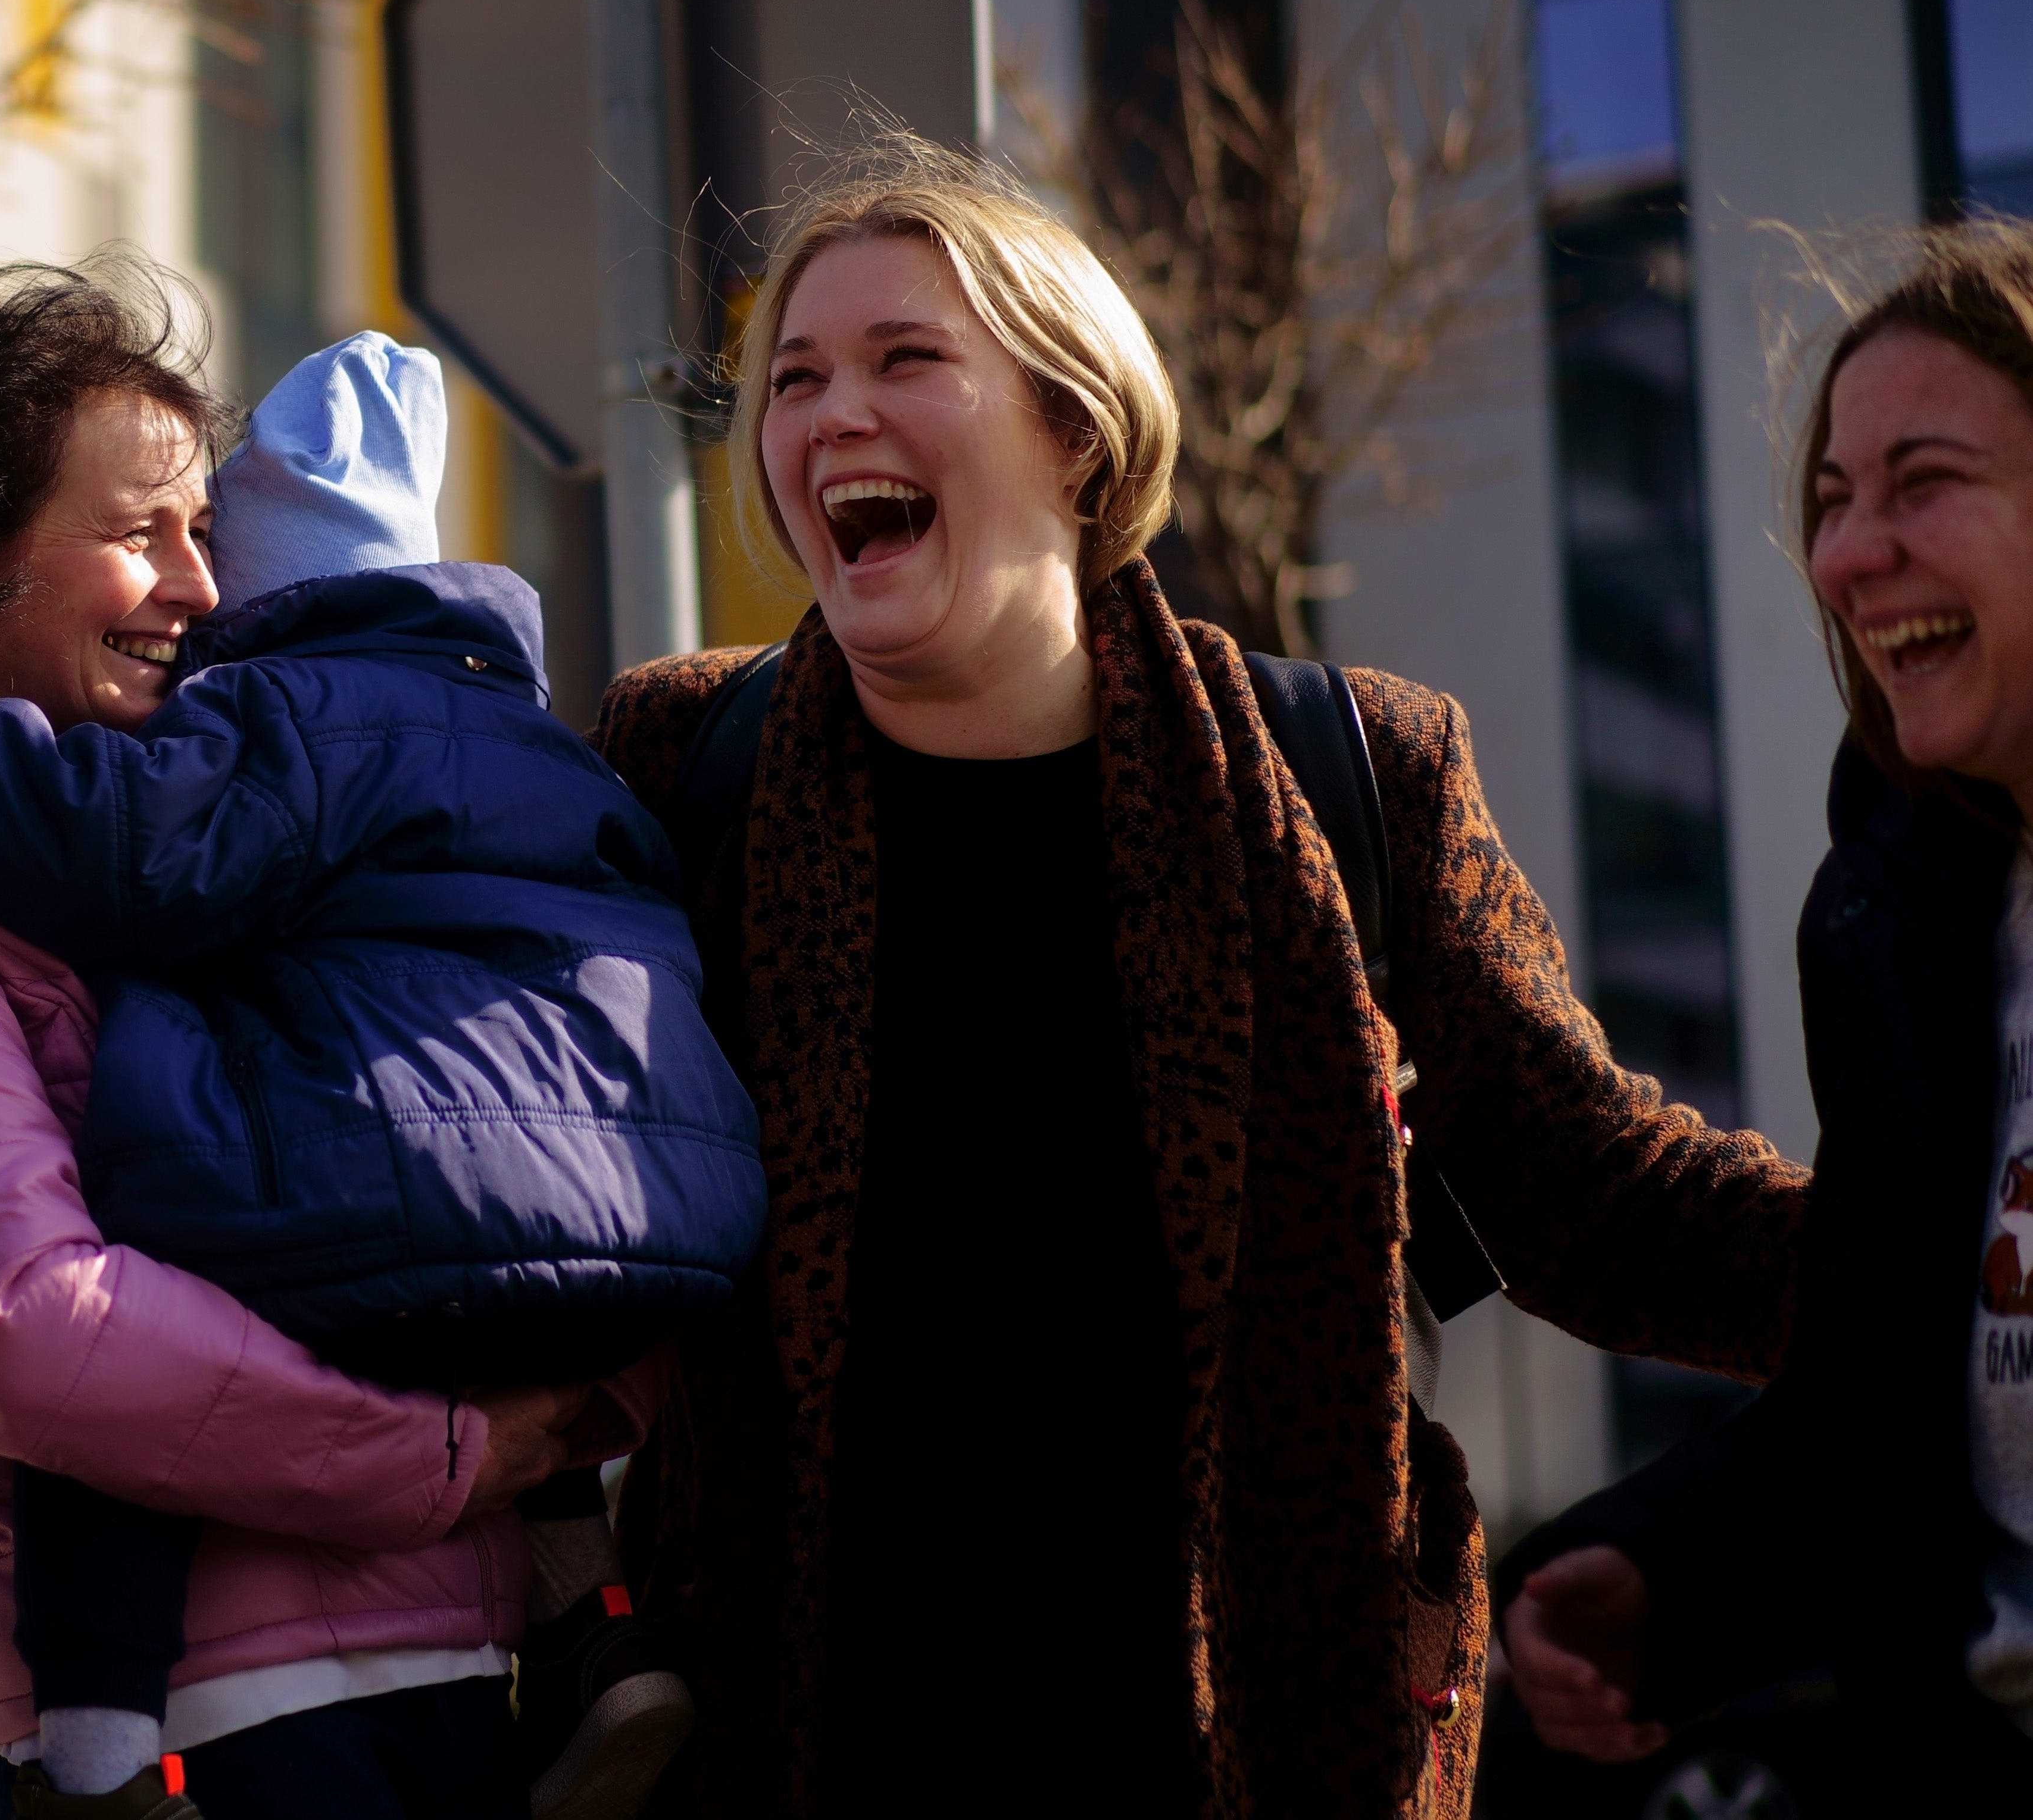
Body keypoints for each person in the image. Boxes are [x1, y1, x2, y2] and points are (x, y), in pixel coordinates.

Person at [582, 136, 1813, 1815]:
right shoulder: (676, 766)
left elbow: (1601, 1196)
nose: (826, 414)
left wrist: (1957, 1274)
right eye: (793, 377)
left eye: (904, 358)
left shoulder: (1346, 770)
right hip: (800, 1739)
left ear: (1071, 428)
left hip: (1248, 1745)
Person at [0, 326, 764, 1819]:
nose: (198, 587)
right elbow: (40, 1337)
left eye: (206, 534)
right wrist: (444, 1457)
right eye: (141, 535)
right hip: (226, 1726)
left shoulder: (236, 805)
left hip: (459, 1675)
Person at [1499, 223, 2033, 1803]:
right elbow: (1869, 1400)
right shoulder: (1893, 919)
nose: (1847, 556)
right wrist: (1660, 1574)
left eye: (1920, 481)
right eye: (1828, 501)